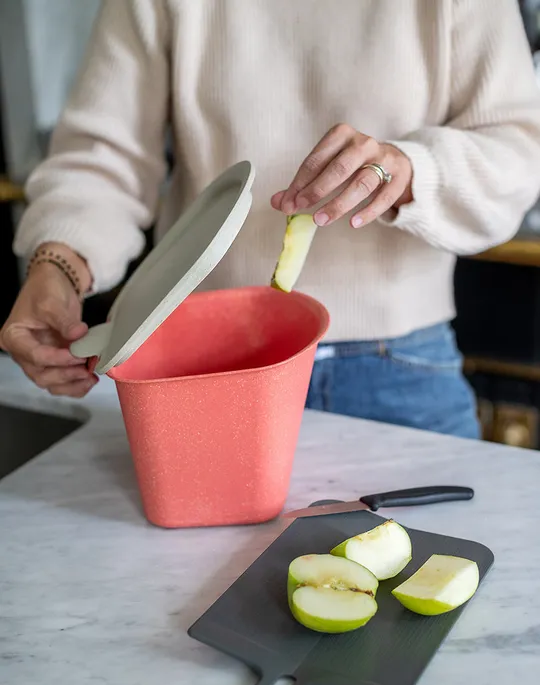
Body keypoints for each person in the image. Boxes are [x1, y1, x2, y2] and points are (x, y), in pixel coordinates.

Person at [3, 0, 540, 438]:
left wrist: (411, 170)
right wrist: (57, 269)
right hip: (205, 359)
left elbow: (518, 156)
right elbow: (103, 159)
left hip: (399, 364)